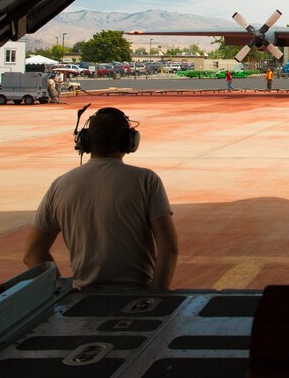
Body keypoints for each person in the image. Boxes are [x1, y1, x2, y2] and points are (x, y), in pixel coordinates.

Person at [23, 107, 178, 289]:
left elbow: (32, 254)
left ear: (85, 142)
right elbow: (169, 248)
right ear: (130, 141)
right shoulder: (146, 180)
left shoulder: (60, 185)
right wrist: (155, 297)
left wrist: (61, 294)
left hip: (83, 303)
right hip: (137, 299)